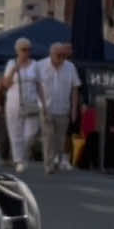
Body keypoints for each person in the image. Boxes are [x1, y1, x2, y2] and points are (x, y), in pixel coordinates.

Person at [0, 37, 43, 173]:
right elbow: (5, 84)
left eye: (29, 50)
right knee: (15, 132)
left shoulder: (35, 65)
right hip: (14, 101)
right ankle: (19, 161)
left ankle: (22, 156)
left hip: (31, 103)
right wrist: (14, 70)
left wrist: (44, 105)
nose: (27, 52)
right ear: (17, 51)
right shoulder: (11, 64)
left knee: (30, 133)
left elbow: (40, 85)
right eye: (24, 50)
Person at [37, 42, 81, 174]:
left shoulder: (70, 67)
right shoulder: (41, 65)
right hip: (46, 108)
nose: (61, 57)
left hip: (63, 109)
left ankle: (57, 158)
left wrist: (74, 109)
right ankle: (48, 164)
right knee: (48, 136)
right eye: (58, 55)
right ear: (51, 54)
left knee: (60, 139)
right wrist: (41, 104)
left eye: (63, 55)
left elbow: (75, 88)